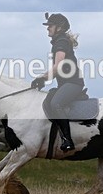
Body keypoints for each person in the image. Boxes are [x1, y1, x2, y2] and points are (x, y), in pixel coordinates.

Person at [31, 13, 85, 152]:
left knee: (56, 103)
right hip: (65, 84)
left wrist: (42, 78)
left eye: (50, 25)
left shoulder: (61, 43)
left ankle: (68, 140)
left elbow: (58, 66)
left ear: (59, 27)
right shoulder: (59, 41)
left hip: (73, 83)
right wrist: (43, 78)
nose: (47, 28)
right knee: (49, 99)